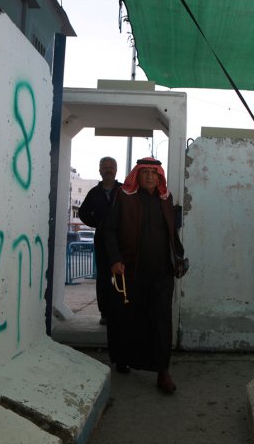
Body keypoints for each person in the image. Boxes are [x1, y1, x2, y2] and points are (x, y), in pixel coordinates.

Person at [104, 157, 187, 394]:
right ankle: (124, 358)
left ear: (159, 176)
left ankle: (163, 372)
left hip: (162, 273)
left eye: (154, 172)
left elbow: (172, 233)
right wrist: (115, 259)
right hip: (131, 272)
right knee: (129, 319)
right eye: (145, 172)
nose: (150, 177)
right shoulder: (125, 197)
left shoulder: (166, 198)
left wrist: (178, 258)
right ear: (137, 175)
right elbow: (109, 230)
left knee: (161, 321)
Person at [78, 157, 122, 325]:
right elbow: (83, 213)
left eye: (111, 167)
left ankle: (121, 310)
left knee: (121, 274)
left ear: (116, 170)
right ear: (100, 171)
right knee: (103, 277)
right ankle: (105, 312)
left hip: (121, 240)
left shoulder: (123, 190)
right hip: (102, 240)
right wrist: (98, 224)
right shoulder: (94, 193)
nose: (108, 170)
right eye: (105, 167)